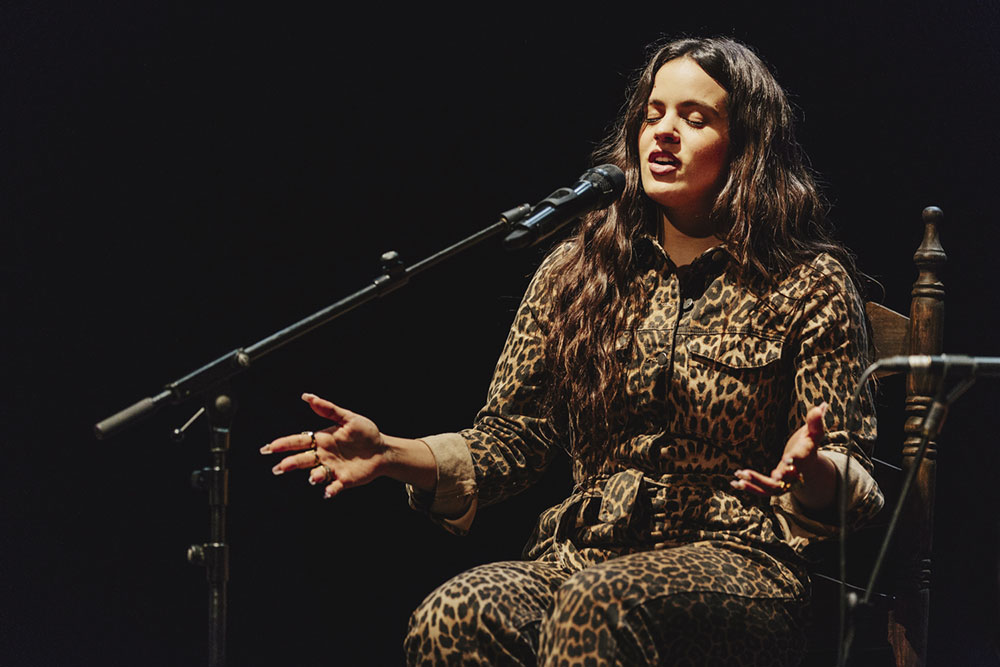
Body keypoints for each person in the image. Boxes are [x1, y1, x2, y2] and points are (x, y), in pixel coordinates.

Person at [260, 36, 884, 666]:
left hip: (740, 563)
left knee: (598, 605)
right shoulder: (579, 272)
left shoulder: (806, 282)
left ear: (746, 147)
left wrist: (814, 470)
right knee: (459, 612)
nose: (664, 132)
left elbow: (851, 470)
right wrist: (392, 454)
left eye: (695, 119)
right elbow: (512, 438)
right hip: (586, 553)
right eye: (653, 114)